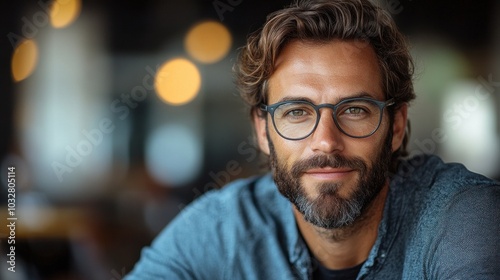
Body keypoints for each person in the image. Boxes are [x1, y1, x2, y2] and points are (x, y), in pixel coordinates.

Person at [126, 0, 500, 279]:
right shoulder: (222, 229)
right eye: (296, 112)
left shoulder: (461, 218)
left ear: (397, 125)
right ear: (262, 129)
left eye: (354, 109)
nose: (325, 142)